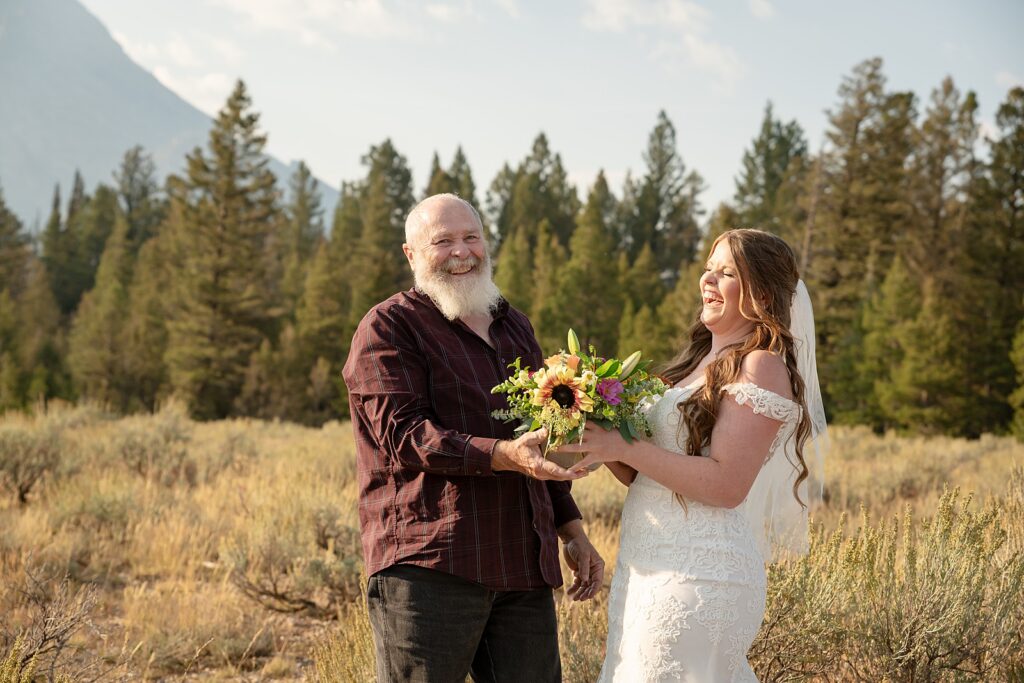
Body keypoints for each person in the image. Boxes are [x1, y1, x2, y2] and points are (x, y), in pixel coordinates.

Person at [342, 193, 605, 683]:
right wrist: (503, 456)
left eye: (471, 237)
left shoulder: (514, 325)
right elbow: (404, 435)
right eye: (443, 241)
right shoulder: (390, 326)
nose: (462, 252)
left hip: (522, 564)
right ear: (411, 254)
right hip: (432, 563)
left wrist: (572, 532)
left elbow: (536, 436)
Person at [557, 228, 827, 681]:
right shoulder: (691, 366)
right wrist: (601, 437)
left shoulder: (760, 365)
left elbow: (725, 486)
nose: (708, 280)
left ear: (760, 293)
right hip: (646, 561)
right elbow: (646, 474)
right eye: (708, 269)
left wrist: (625, 445)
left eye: (725, 273)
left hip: (701, 571)